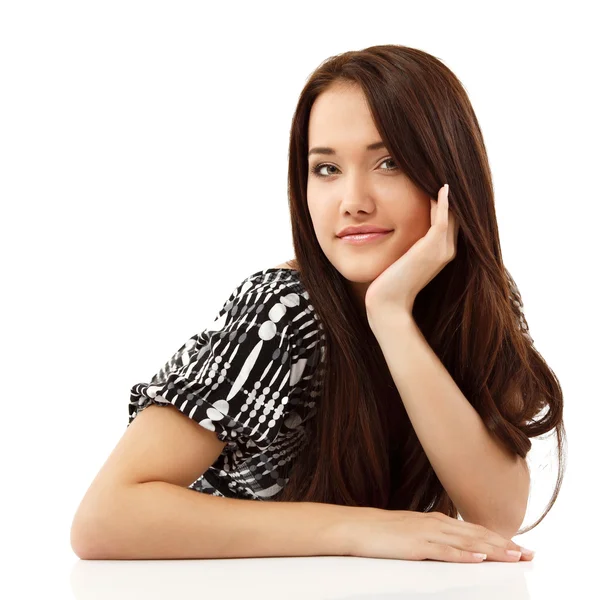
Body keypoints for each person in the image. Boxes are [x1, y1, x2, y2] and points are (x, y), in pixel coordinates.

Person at [71, 44, 564, 562]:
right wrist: (358, 531)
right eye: (326, 169)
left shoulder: (475, 298)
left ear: (449, 177)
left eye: (388, 162)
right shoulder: (281, 309)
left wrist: (391, 317)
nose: (353, 200)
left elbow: (498, 514)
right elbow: (104, 518)